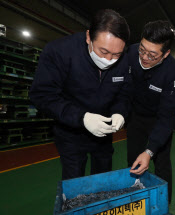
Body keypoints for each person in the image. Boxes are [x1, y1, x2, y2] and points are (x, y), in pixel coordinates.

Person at [29, 9, 130, 180]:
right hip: (70, 133)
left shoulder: (125, 60)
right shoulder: (59, 52)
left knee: (103, 181)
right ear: (88, 37)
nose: (109, 60)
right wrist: (82, 118)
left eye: (116, 55)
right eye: (103, 52)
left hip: (104, 133)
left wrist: (120, 111)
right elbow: (42, 95)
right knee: (75, 184)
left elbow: (124, 92)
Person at [126, 21, 175, 203]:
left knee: (162, 163)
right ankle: (137, 202)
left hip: (159, 120)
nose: (144, 57)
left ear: (166, 54)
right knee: (134, 162)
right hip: (135, 117)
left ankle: (162, 206)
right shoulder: (129, 53)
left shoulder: (173, 72)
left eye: (152, 55)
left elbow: (168, 116)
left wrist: (150, 151)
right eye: (142, 50)